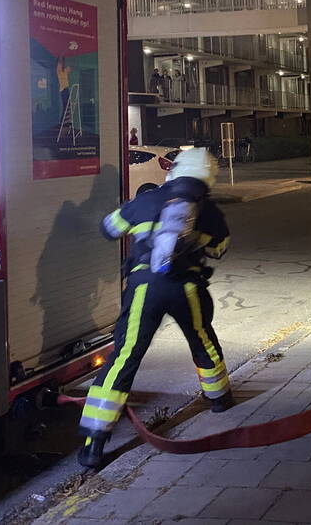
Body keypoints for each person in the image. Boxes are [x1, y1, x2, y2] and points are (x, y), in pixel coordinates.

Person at [77, 148, 233, 468]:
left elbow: (109, 228)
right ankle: (220, 399)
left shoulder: (146, 200)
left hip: (144, 287)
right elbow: (219, 249)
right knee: (202, 339)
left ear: (174, 171)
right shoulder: (210, 211)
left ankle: (94, 442)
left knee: (125, 356)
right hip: (187, 288)